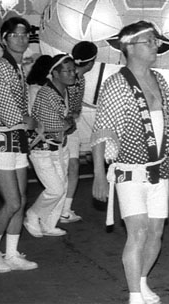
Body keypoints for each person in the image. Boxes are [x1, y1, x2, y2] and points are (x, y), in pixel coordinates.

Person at [91, 21, 169, 304]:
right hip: (129, 171)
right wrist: (98, 175)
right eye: (150, 41)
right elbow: (101, 132)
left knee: (156, 232)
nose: (156, 45)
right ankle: (134, 297)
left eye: (156, 41)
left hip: (160, 169)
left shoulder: (158, 79)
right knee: (139, 231)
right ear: (130, 47)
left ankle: (142, 282)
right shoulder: (115, 83)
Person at [0, 17, 39, 272]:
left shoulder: (16, 67)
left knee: (22, 200)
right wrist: (29, 121)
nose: (22, 38)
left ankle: (12, 253)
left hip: (15, 140)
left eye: (25, 34)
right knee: (13, 202)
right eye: (15, 35)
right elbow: (9, 113)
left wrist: (29, 123)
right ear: (4, 39)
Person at [23, 54, 77, 238]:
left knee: (62, 185)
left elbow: (66, 121)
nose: (72, 74)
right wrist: (68, 123)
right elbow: (55, 124)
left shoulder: (64, 90)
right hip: (42, 149)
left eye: (73, 70)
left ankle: (48, 224)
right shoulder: (46, 93)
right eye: (67, 71)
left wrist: (67, 123)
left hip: (59, 146)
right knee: (55, 189)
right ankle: (32, 215)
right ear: (54, 73)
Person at [61, 41, 98, 223]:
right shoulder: (72, 78)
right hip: (62, 128)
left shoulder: (76, 77)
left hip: (70, 128)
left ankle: (65, 209)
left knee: (72, 167)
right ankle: (57, 209)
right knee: (64, 169)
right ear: (91, 62)